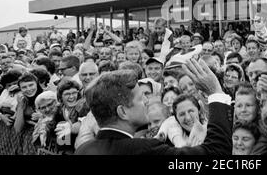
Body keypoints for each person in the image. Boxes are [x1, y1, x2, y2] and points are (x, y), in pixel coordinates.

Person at [76, 58, 232, 154]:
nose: (146, 101)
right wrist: (215, 92)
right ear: (122, 111)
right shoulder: (144, 150)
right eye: (140, 98)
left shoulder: (84, 150)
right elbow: (216, 153)